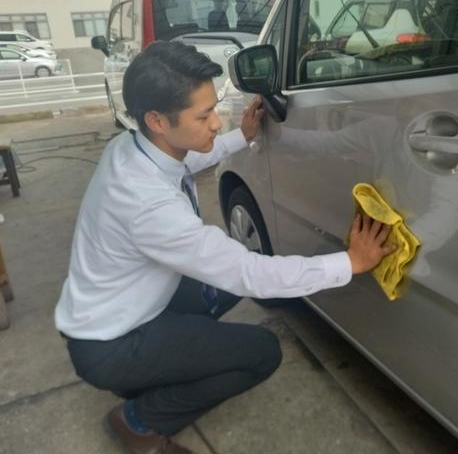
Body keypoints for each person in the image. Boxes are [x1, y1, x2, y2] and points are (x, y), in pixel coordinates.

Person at [54, 41, 395, 454]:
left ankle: (159, 369)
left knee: (229, 282)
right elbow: (250, 275)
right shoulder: (146, 204)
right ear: (157, 120)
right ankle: (139, 419)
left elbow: (184, 162)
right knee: (261, 352)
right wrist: (350, 262)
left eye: (214, 109)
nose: (216, 123)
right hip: (112, 343)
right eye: (203, 116)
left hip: (114, 308)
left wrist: (242, 136)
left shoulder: (130, 147)